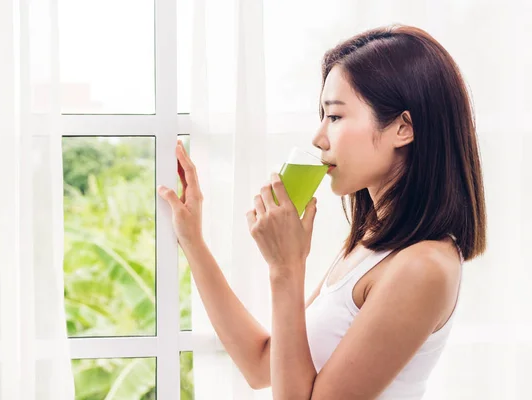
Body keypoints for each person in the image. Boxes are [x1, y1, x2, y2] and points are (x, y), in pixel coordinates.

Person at [158, 24, 486, 400]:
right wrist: (193, 241)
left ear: (403, 128)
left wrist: (286, 268)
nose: (318, 138)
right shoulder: (372, 245)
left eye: (335, 117)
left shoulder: (421, 266)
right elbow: (261, 364)